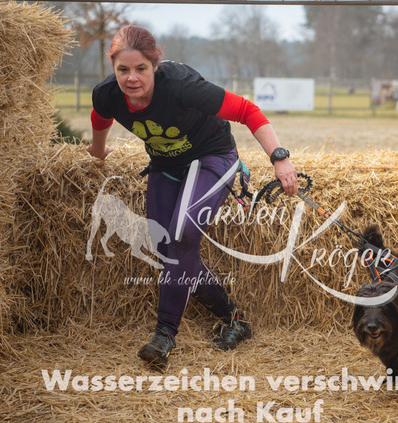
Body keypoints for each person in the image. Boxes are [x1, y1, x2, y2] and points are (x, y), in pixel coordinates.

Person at [86, 25, 298, 368]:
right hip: (166, 165)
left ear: (155, 65)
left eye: (140, 68)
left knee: (183, 232)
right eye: (123, 69)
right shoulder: (107, 93)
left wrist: (280, 158)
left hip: (212, 156)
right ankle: (234, 318)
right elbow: (100, 115)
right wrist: (98, 149)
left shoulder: (181, 85)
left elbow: (247, 111)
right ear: (113, 67)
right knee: (164, 245)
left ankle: (164, 334)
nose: (131, 78)